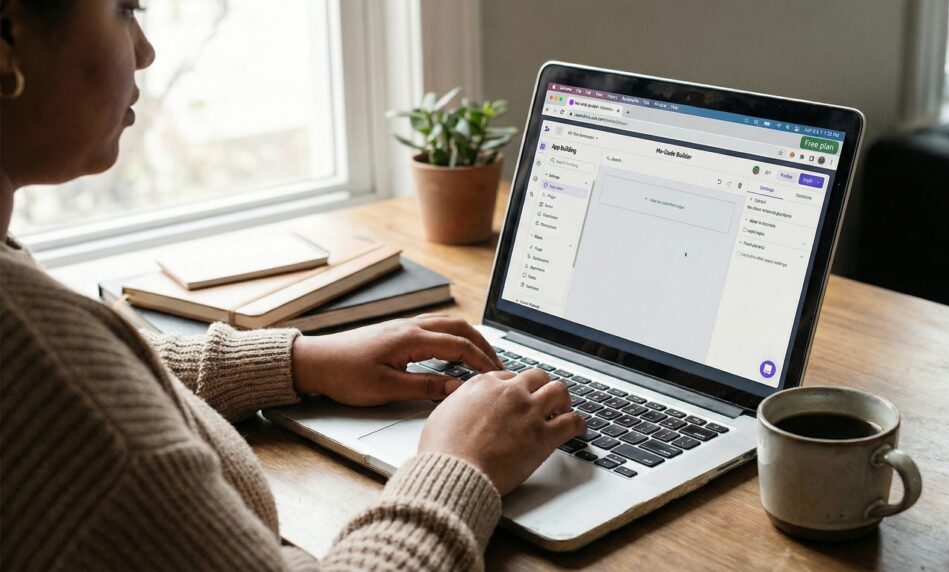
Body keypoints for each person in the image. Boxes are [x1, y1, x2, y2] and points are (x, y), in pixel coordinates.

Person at [0, 1, 586, 570]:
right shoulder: (50, 371)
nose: (146, 51)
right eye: (127, 9)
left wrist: (300, 362)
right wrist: (458, 468)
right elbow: (80, 398)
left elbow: (115, 375)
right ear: (8, 41)